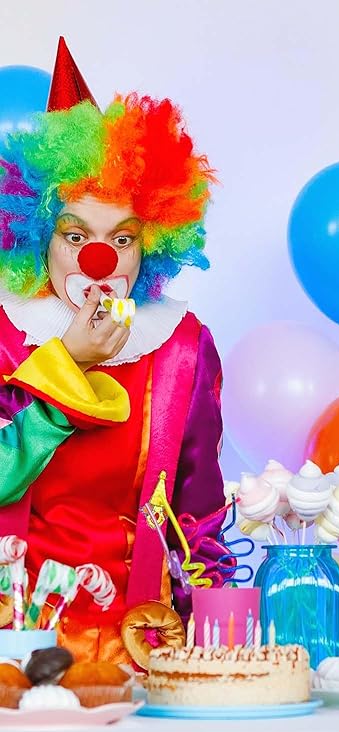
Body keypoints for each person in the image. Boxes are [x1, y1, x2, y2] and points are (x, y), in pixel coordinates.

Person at [0, 39, 226, 665]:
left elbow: (198, 516)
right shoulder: (6, 333)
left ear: (150, 244)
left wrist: (204, 645)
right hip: (15, 634)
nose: (98, 260)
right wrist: (68, 362)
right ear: (38, 237)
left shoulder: (182, 345)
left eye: (121, 239)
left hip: (136, 639)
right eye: (75, 236)